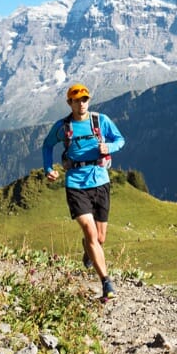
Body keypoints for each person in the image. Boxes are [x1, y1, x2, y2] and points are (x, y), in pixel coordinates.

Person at [42, 83, 125, 303]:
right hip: (75, 183)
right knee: (89, 231)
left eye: (85, 99)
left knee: (100, 237)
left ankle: (88, 250)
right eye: (77, 100)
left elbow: (120, 140)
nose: (81, 104)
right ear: (69, 103)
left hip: (100, 180)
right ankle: (106, 282)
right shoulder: (63, 127)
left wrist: (109, 147)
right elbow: (47, 145)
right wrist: (48, 168)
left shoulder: (100, 121)